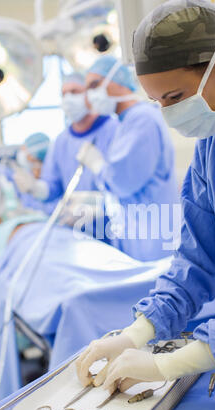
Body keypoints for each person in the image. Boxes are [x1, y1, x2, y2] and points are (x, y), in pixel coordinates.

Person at [76, 0, 215, 394]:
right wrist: (138, 331)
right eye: (157, 102)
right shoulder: (212, 148)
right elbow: (197, 260)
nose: (167, 113)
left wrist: (173, 362)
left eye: (174, 96)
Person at [84, 55, 181, 261]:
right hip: (141, 235)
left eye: (95, 85)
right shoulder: (126, 122)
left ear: (118, 81)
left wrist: (98, 165)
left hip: (155, 239)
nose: (91, 95)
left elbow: (122, 181)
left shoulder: (142, 120)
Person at [13, 73, 118, 212]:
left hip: (115, 225)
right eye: (64, 94)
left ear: (90, 93)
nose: (68, 99)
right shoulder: (61, 142)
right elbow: (53, 186)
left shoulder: (115, 130)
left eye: (74, 92)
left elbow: (125, 183)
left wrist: (100, 208)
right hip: (75, 227)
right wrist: (37, 188)